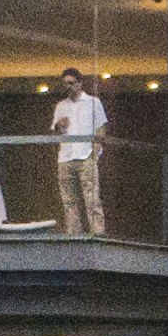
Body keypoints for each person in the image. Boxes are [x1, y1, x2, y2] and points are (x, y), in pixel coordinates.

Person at [46, 68, 110, 234]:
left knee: (91, 198)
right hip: (66, 157)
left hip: (85, 155)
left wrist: (95, 152)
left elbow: (101, 128)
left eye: (72, 83)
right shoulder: (61, 106)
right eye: (66, 84)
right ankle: (74, 233)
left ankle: (97, 233)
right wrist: (60, 126)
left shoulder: (93, 102)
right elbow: (55, 130)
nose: (69, 87)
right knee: (68, 200)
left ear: (80, 83)